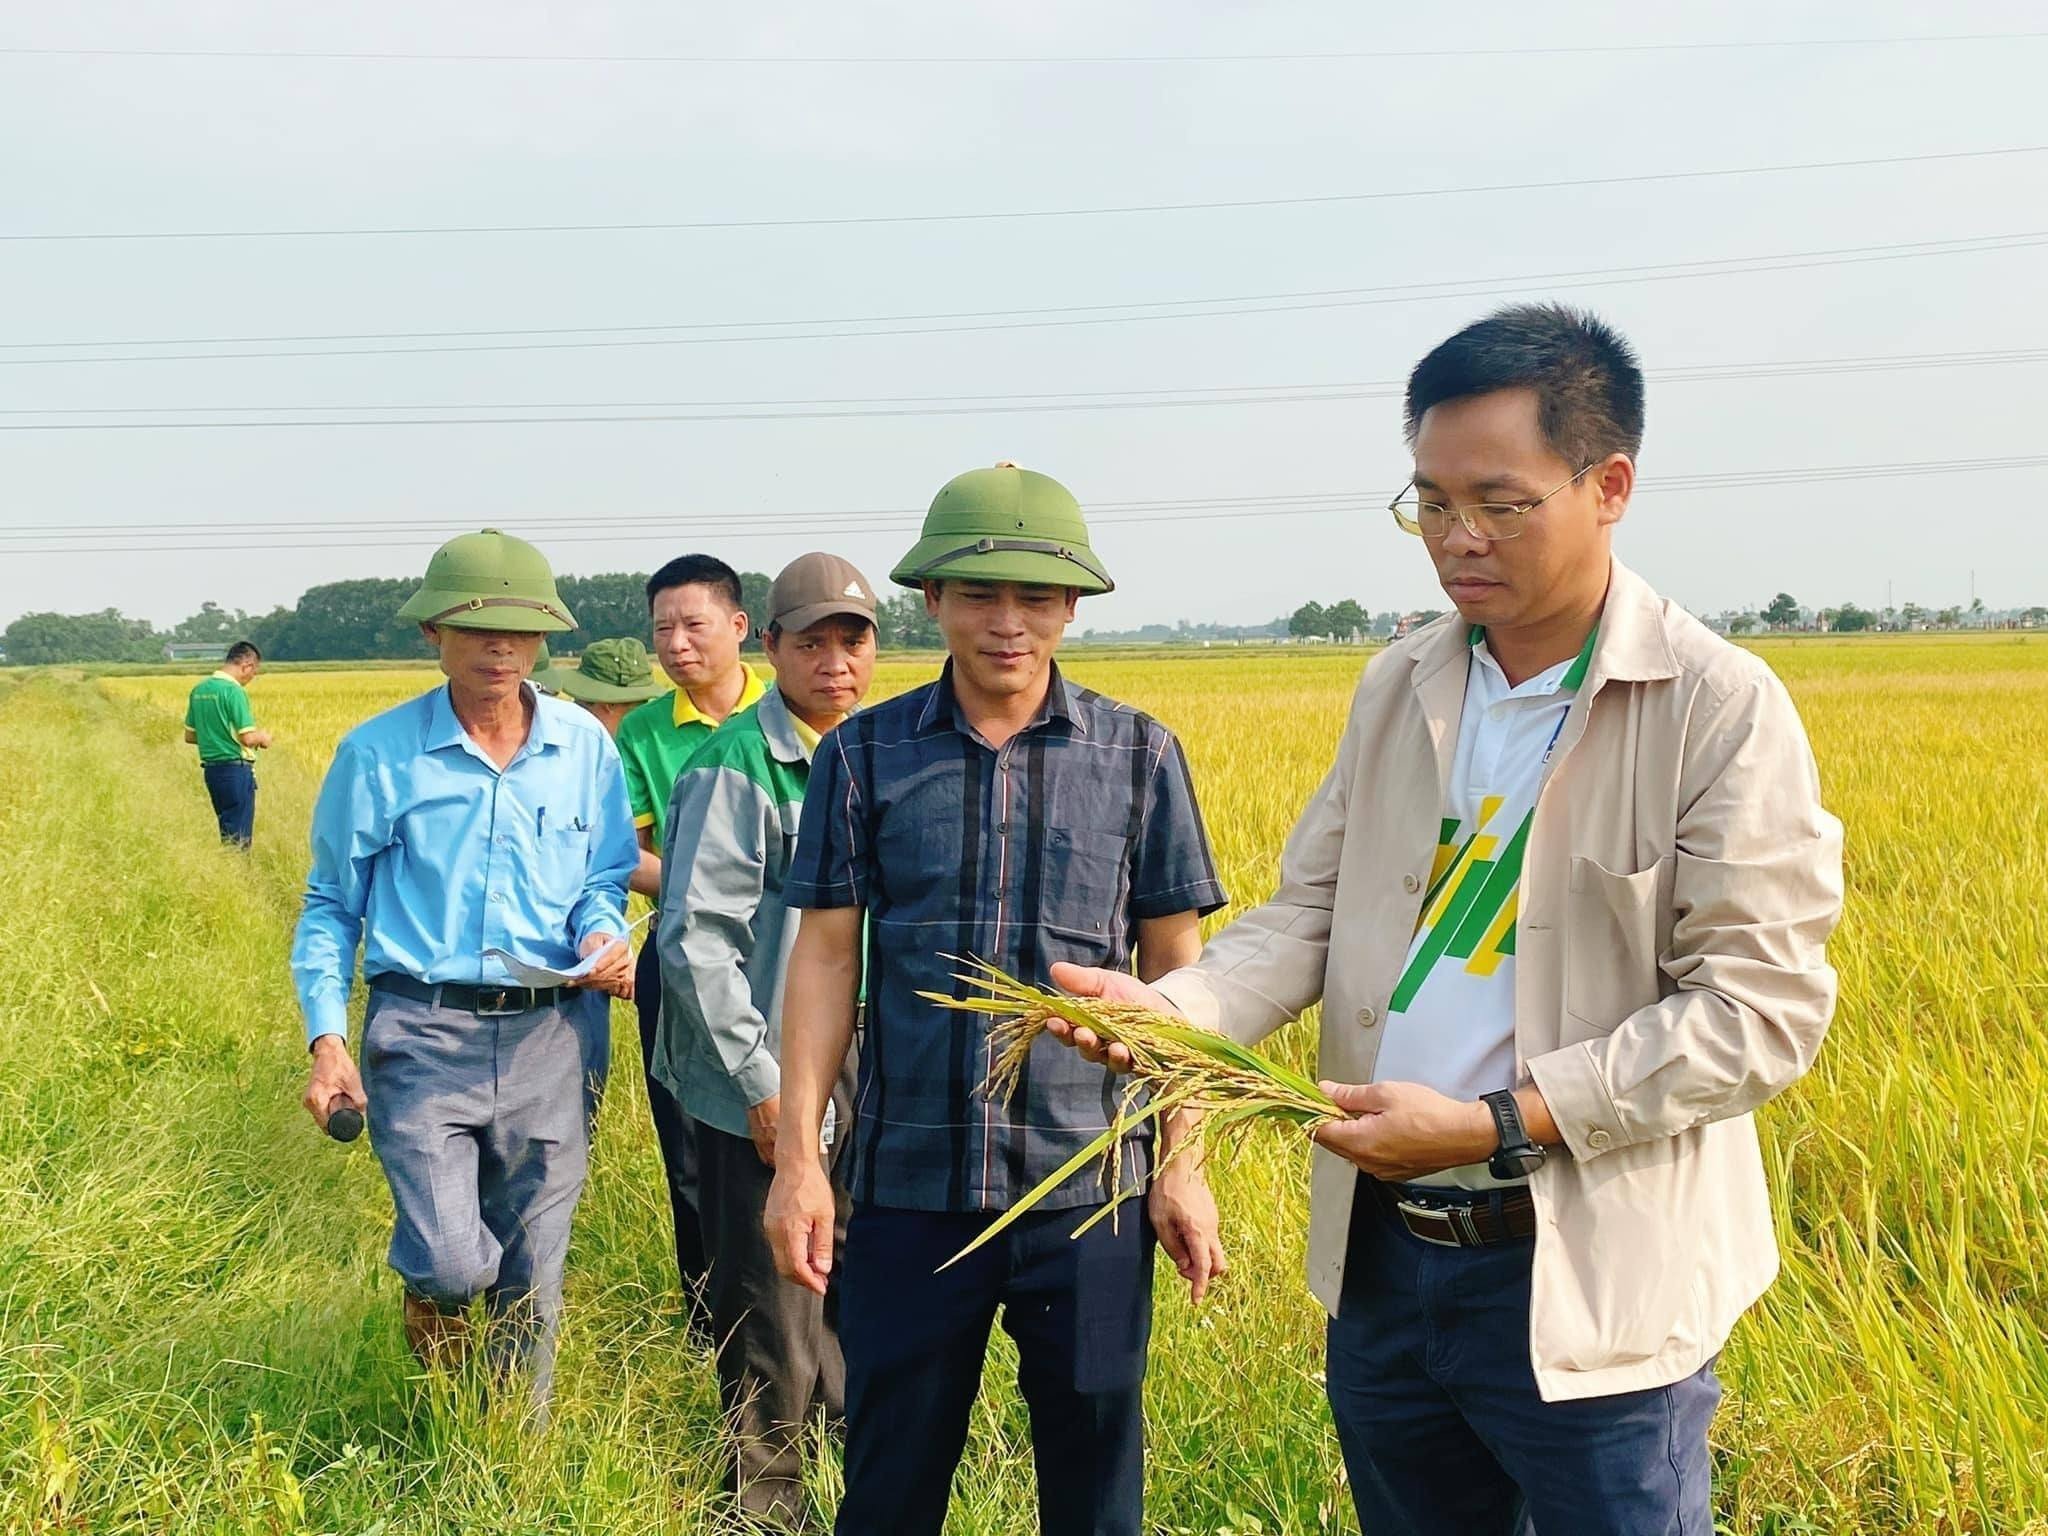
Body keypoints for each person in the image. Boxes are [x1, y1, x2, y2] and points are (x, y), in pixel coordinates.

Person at [1048, 305, 1846, 1535]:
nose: (1455, 539)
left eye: (1499, 501)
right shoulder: (1403, 679)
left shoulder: (1714, 707)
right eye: (1427, 501)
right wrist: (1171, 1012)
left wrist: (1493, 1123)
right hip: (1389, 1264)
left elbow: (1755, 1015)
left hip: (1587, 1279)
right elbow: (1305, 913)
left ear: (1608, 485)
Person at [765, 464, 1229, 1536]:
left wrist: (1181, 1164)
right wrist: (800, 1160)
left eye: (1035, 597)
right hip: (905, 1187)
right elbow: (827, 960)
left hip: (1089, 1188)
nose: (1007, 623)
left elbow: (1178, 977)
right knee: (887, 1486)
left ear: (1072, 606)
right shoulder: (862, 756)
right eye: (978, 594)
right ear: (930, 602)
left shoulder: (1138, 755)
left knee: (1096, 1489)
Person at [290, 529, 638, 1413]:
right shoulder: (379, 754)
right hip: (421, 1031)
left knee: (534, 1264)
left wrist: (605, 935)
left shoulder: (585, 749)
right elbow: (332, 905)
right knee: (452, 1260)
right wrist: (328, 1043)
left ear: (543, 641)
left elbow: (601, 879)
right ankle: (437, 1310)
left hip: (555, 1033)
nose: (501, 649)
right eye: (478, 630)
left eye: (522, 632)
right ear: (432, 635)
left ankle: (506, 1453)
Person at [654, 552, 879, 1526]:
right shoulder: (734, 764)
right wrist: (763, 1083)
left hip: (867, 1059)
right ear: (773, 646)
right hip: (760, 1058)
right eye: (812, 640)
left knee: (851, 1290)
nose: (834, 660)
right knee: (772, 1304)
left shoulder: (876, 750)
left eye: (852, 638)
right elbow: (694, 938)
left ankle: (841, 1480)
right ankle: (761, 1506)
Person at [614, 555, 766, 1324]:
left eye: (693, 624)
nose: (676, 644)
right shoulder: (643, 731)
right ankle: (712, 1311)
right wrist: (697, 886)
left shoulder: (792, 707)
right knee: (694, 1140)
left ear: (739, 627)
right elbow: (624, 853)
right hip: (683, 957)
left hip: (794, 956)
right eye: (662, 629)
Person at [534, 635, 670, 1131]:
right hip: (546, 965)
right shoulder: (556, 758)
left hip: (588, 961)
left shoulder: (612, 758)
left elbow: (610, 876)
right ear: (611, 705)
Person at [182, 640, 271, 847]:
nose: (251, 677)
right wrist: (264, 738)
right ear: (246, 666)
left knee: (227, 831)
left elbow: (190, 736)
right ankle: (238, 876)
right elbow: (247, 738)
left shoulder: (200, 690)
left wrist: (215, 736)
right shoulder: (234, 691)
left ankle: (228, 874)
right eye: (254, 672)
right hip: (236, 770)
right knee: (240, 837)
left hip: (212, 772)